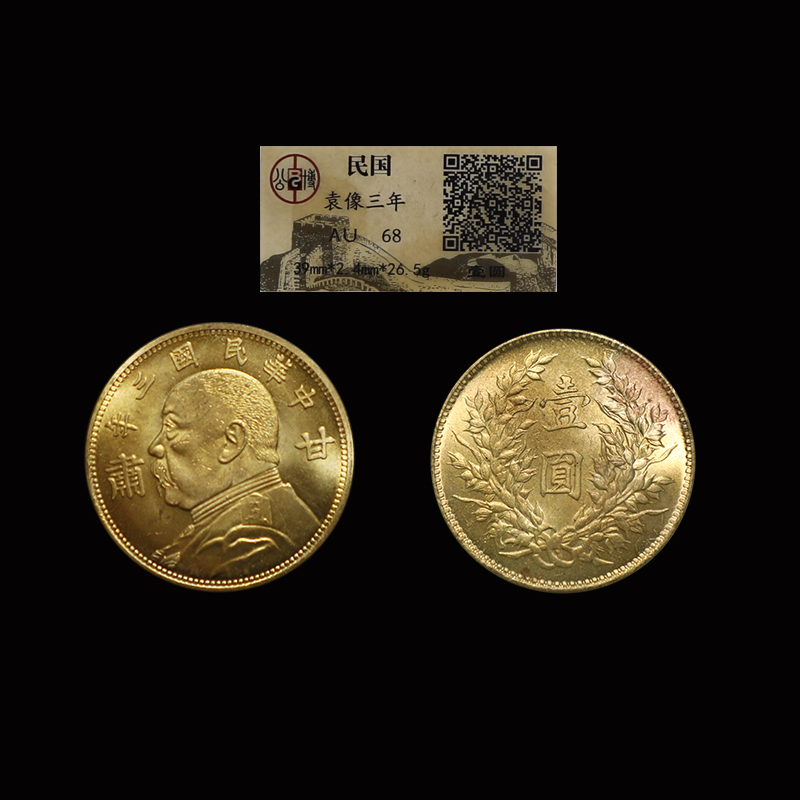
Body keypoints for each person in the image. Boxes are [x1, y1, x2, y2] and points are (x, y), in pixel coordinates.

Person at [148, 368, 319, 579]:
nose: (154, 447)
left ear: (231, 442)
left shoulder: (248, 545)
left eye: (171, 428)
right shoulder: (273, 516)